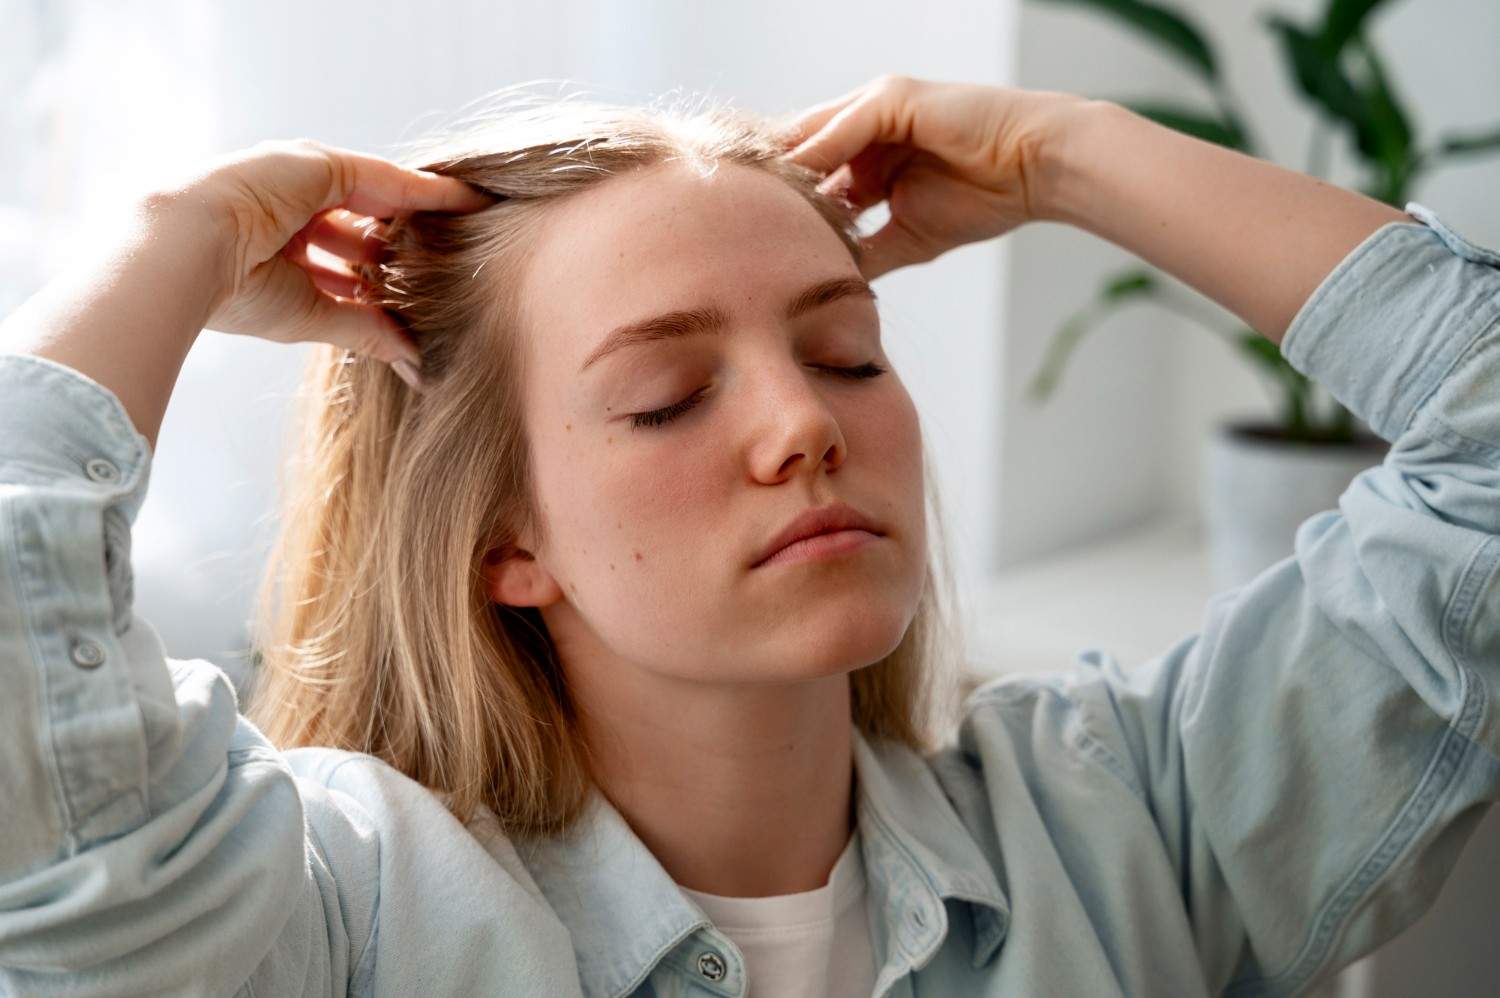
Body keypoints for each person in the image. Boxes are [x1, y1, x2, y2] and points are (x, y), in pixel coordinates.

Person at [0, 74, 1496, 998]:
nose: (805, 425)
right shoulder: (348, 918)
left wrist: (1067, 156)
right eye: (666, 396)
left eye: (848, 350)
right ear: (501, 540)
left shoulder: (1120, 838)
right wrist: (171, 240)